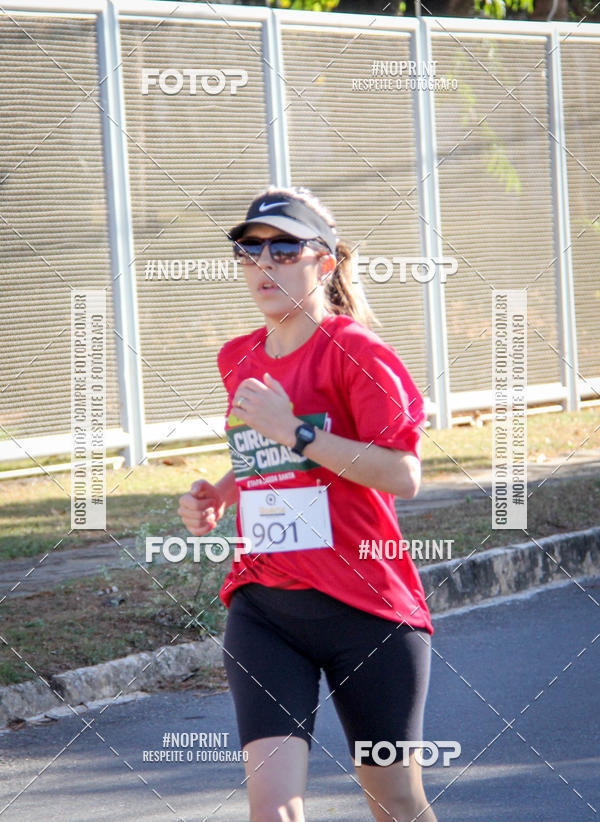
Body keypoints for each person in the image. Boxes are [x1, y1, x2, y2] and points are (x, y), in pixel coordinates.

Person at [178, 186, 437, 822]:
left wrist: (296, 429)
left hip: (367, 611)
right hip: (265, 607)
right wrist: (221, 492)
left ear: (323, 262)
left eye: (283, 248)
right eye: (249, 250)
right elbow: (268, 460)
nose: (263, 264)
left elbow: (403, 475)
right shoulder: (237, 357)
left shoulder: (360, 353)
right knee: (274, 809)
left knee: (395, 799)